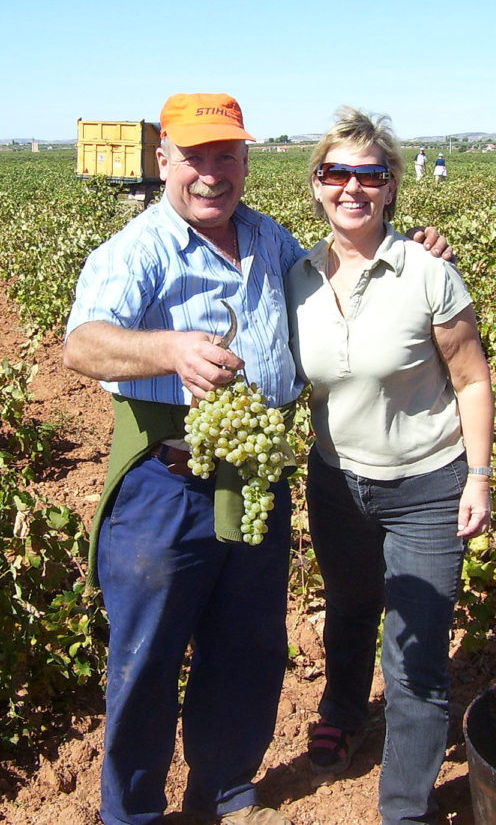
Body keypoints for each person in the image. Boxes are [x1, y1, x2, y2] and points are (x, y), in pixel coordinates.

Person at [63, 93, 450, 825]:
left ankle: (227, 788)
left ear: (246, 162)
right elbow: (82, 344)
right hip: (164, 481)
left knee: (247, 646)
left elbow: (349, 268)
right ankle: (134, 812)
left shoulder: (270, 241)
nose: (210, 174)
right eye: (194, 157)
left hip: (257, 476)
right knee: (146, 659)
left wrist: (414, 250)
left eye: (225, 156)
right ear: (163, 161)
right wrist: (168, 348)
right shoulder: (138, 250)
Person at [285, 107, 494, 825]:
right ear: (315, 184)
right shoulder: (296, 278)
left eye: (369, 174)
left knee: (417, 651)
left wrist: (478, 475)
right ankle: (343, 708)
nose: (352, 187)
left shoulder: (429, 271)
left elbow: (472, 378)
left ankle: (404, 807)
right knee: (347, 603)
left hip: (428, 487)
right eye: (336, 172)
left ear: (391, 186)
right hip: (336, 480)